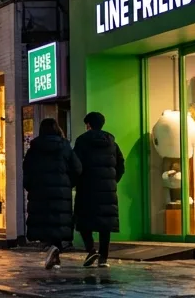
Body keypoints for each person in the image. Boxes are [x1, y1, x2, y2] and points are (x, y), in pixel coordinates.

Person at [23, 118, 82, 270]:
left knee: (44, 221)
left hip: (40, 191)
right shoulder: (65, 147)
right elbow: (77, 168)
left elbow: (27, 171)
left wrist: (30, 186)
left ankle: (52, 250)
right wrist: (68, 184)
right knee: (57, 221)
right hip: (61, 192)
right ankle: (55, 250)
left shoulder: (34, 149)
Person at [73, 112, 125, 268]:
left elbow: (75, 164)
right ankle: (103, 259)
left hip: (86, 188)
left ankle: (91, 250)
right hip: (107, 189)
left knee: (83, 221)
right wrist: (112, 181)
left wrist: (76, 181)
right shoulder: (112, 143)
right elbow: (121, 165)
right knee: (105, 224)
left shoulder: (81, 141)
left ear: (88, 125)